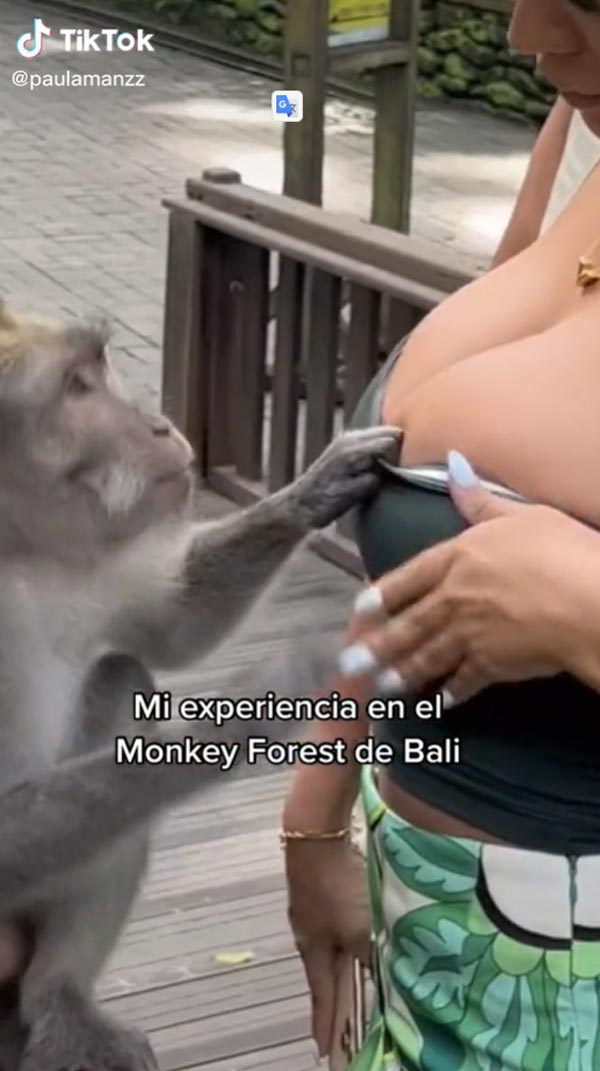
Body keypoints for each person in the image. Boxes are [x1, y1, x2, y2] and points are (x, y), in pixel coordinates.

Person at [282, 3, 600, 1070]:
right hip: (428, 928)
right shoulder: (587, 131)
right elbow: (434, 538)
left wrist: (587, 609)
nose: (530, 39)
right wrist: (318, 805)